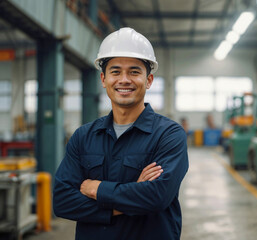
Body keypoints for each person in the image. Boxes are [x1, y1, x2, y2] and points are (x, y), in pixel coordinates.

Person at [53, 27, 189, 240]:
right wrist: (133, 193)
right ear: (103, 79)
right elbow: (62, 201)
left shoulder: (169, 135)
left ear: (149, 80)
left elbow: (157, 197)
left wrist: (96, 189)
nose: (124, 80)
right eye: (115, 71)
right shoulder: (83, 136)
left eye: (134, 72)